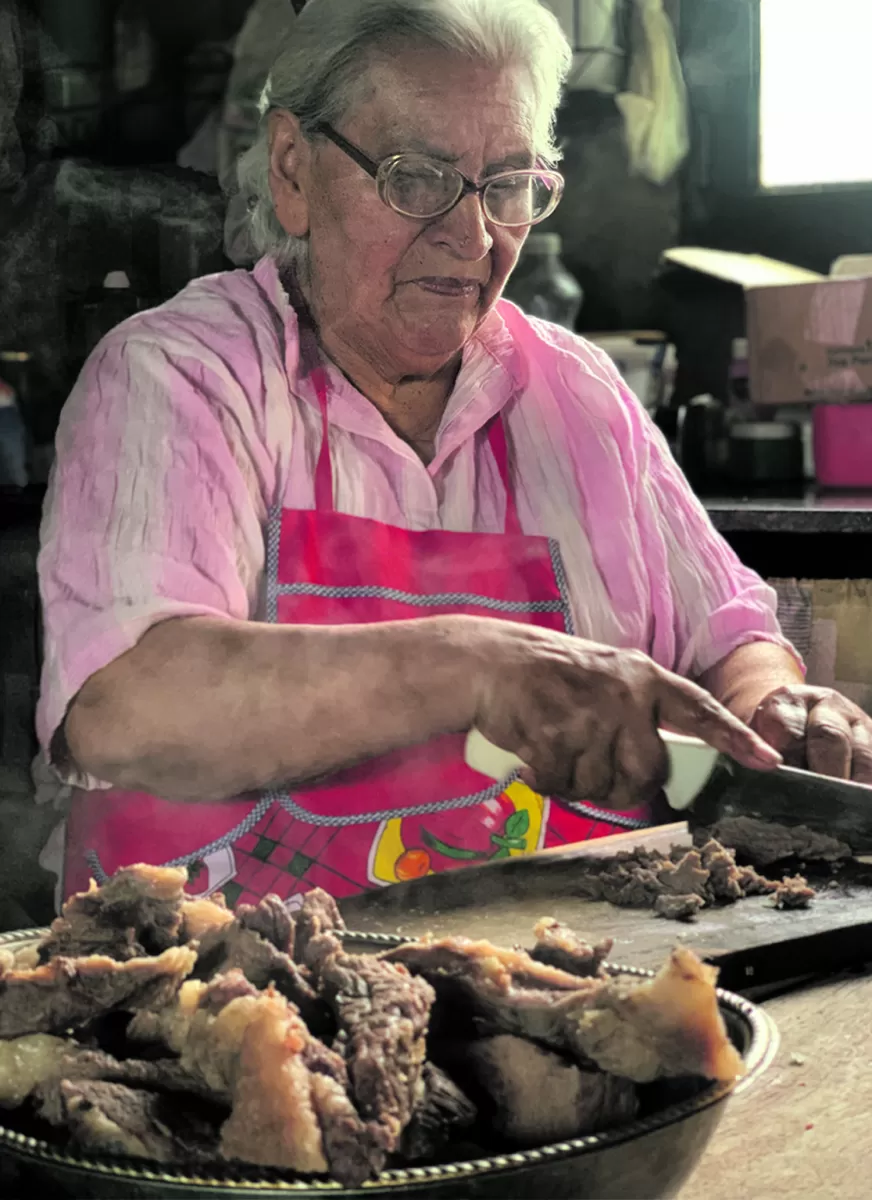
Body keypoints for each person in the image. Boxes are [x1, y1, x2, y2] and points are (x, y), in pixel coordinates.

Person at [38, 0, 872, 908]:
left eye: (509, 185)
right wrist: (478, 668)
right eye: (417, 177)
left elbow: (729, 638)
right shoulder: (180, 377)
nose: (474, 237)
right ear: (292, 170)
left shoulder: (579, 396)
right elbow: (125, 706)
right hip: (230, 1002)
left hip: (573, 981)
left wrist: (779, 714)